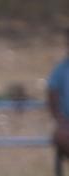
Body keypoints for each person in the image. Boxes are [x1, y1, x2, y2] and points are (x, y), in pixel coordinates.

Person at [48, 28, 69, 157]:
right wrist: (61, 121)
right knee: (62, 136)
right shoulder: (60, 70)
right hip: (67, 123)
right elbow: (52, 96)